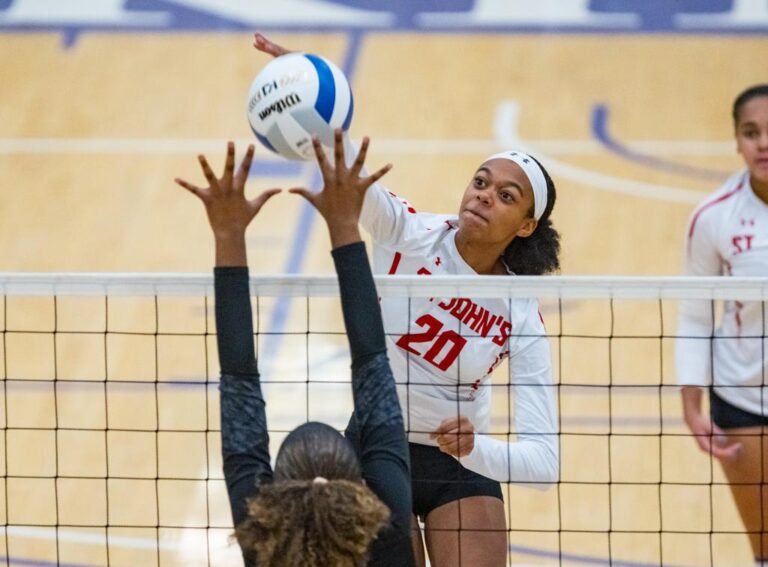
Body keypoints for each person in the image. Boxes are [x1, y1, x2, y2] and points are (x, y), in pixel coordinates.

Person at [253, 33, 559, 567]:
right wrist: (306, 98)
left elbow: (544, 461)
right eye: (481, 181)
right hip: (375, 446)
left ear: (526, 225)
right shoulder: (411, 235)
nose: (485, 194)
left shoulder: (520, 313)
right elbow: (354, 183)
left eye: (506, 196)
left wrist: (475, 450)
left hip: (458, 464)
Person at [175, 137, 416, 566]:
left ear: (276, 499)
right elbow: (239, 381)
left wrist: (228, 234)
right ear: (361, 488)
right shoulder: (385, 534)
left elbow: (371, 363)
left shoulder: (273, 544)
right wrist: (344, 225)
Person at [676, 84, 768, 565]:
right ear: (736, 141)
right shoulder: (713, 217)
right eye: (751, 133)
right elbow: (694, 314)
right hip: (742, 396)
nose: (763, 144)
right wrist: (692, 404)